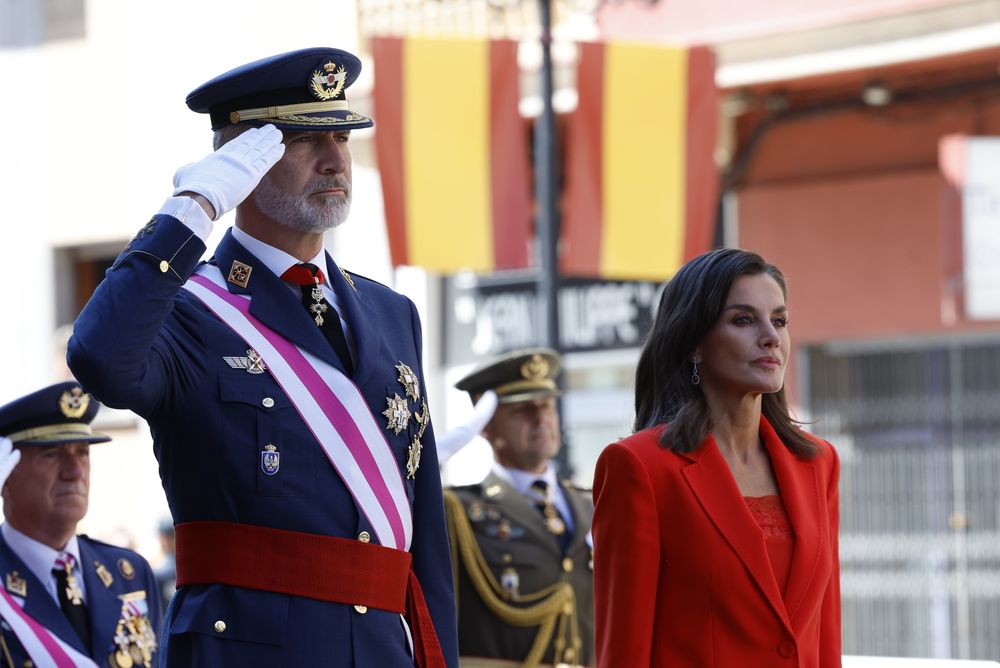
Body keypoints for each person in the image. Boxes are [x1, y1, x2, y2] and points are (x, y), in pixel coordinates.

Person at [67, 47, 456, 667]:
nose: (334, 160)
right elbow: (99, 356)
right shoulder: (187, 308)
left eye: (342, 137)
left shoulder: (389, 311)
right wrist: (193, 208)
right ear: (241, 163)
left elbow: (425, 543)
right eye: (305, 141)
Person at [591, 248, 841, 667]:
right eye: (743, 320)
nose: (771, 337)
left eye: (779, 320)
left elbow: (826, 636)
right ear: (693, 343)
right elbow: (624, 652)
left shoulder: (818, 463)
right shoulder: (640, 467)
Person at [444, 349, 594, 668]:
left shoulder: (594, 504)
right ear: (486, 426)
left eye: (547, 405)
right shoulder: (457, 510)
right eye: (522, 409)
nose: (540, 418)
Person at [0, 381, 161, 668]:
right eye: (52, 454)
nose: (75, 471)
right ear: (7, 475)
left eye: (83, 453)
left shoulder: (128, 572)